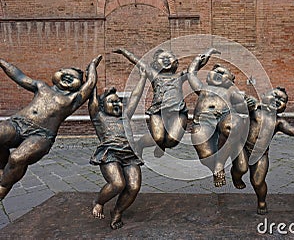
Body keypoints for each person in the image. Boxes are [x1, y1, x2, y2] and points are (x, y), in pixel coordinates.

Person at [0, 55, 102, 199]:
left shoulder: (72, 100)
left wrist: (92, 66)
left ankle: (3, 186)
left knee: (17, 158)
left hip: (41, 135)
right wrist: (2, 62)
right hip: (17, 123)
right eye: (65, 73)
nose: (68, 77)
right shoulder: (41, 86)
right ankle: (1, 165)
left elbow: (91, 84)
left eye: (73, 77)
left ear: (79, 85)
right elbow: (18, 75)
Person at [231, 87, 294, 214]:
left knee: (258, 182)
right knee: (241, 168)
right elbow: (238, 101)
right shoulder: (254, 110)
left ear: (284, 107)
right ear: (264, 95)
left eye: (282, 100)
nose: (277, 100)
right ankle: (236, 177)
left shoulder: (278, 122)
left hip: (261, 154)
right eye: (274, 96)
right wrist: (245, 103)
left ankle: (262, 201)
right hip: (243, 147)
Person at [89, 66, 146, 230]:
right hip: (109, 155)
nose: (117, 103)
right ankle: (99, 202)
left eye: (118, 101)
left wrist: (142, 77)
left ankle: (117, 211)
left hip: (129, 156)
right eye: (112, 101)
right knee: (118, 184)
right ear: (101, 106)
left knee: (134, 186)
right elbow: (91, 97)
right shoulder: (98, 117)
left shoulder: (125, 116)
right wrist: (92, 71)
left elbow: (135, 95)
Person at [187, 48, 249, 187]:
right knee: (205, 155)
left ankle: (221, 165)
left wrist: (247, 102)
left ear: (231, 79)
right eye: (215, 71)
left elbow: (242, 105)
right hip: (203, 122)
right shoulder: (203, 88)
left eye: (223, 73)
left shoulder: (231, 90)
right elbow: (191, 73)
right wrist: (202, 57)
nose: (218, 74)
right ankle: (215, 167)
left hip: (225, 118)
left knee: (242, 168)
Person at [114, 48, 188, 158]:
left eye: (169, 57)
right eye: (162, 58)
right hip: (158, 111)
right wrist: (124, 52)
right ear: (155, 64)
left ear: (176, 62)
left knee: (172, 140)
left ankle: (161, 145)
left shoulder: (180, 76)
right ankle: (140, 144)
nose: (166, 59)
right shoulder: (154, 75)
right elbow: (137, 61)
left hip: (178, 111)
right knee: (158, 138)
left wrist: (207, 54)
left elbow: (196, 66)